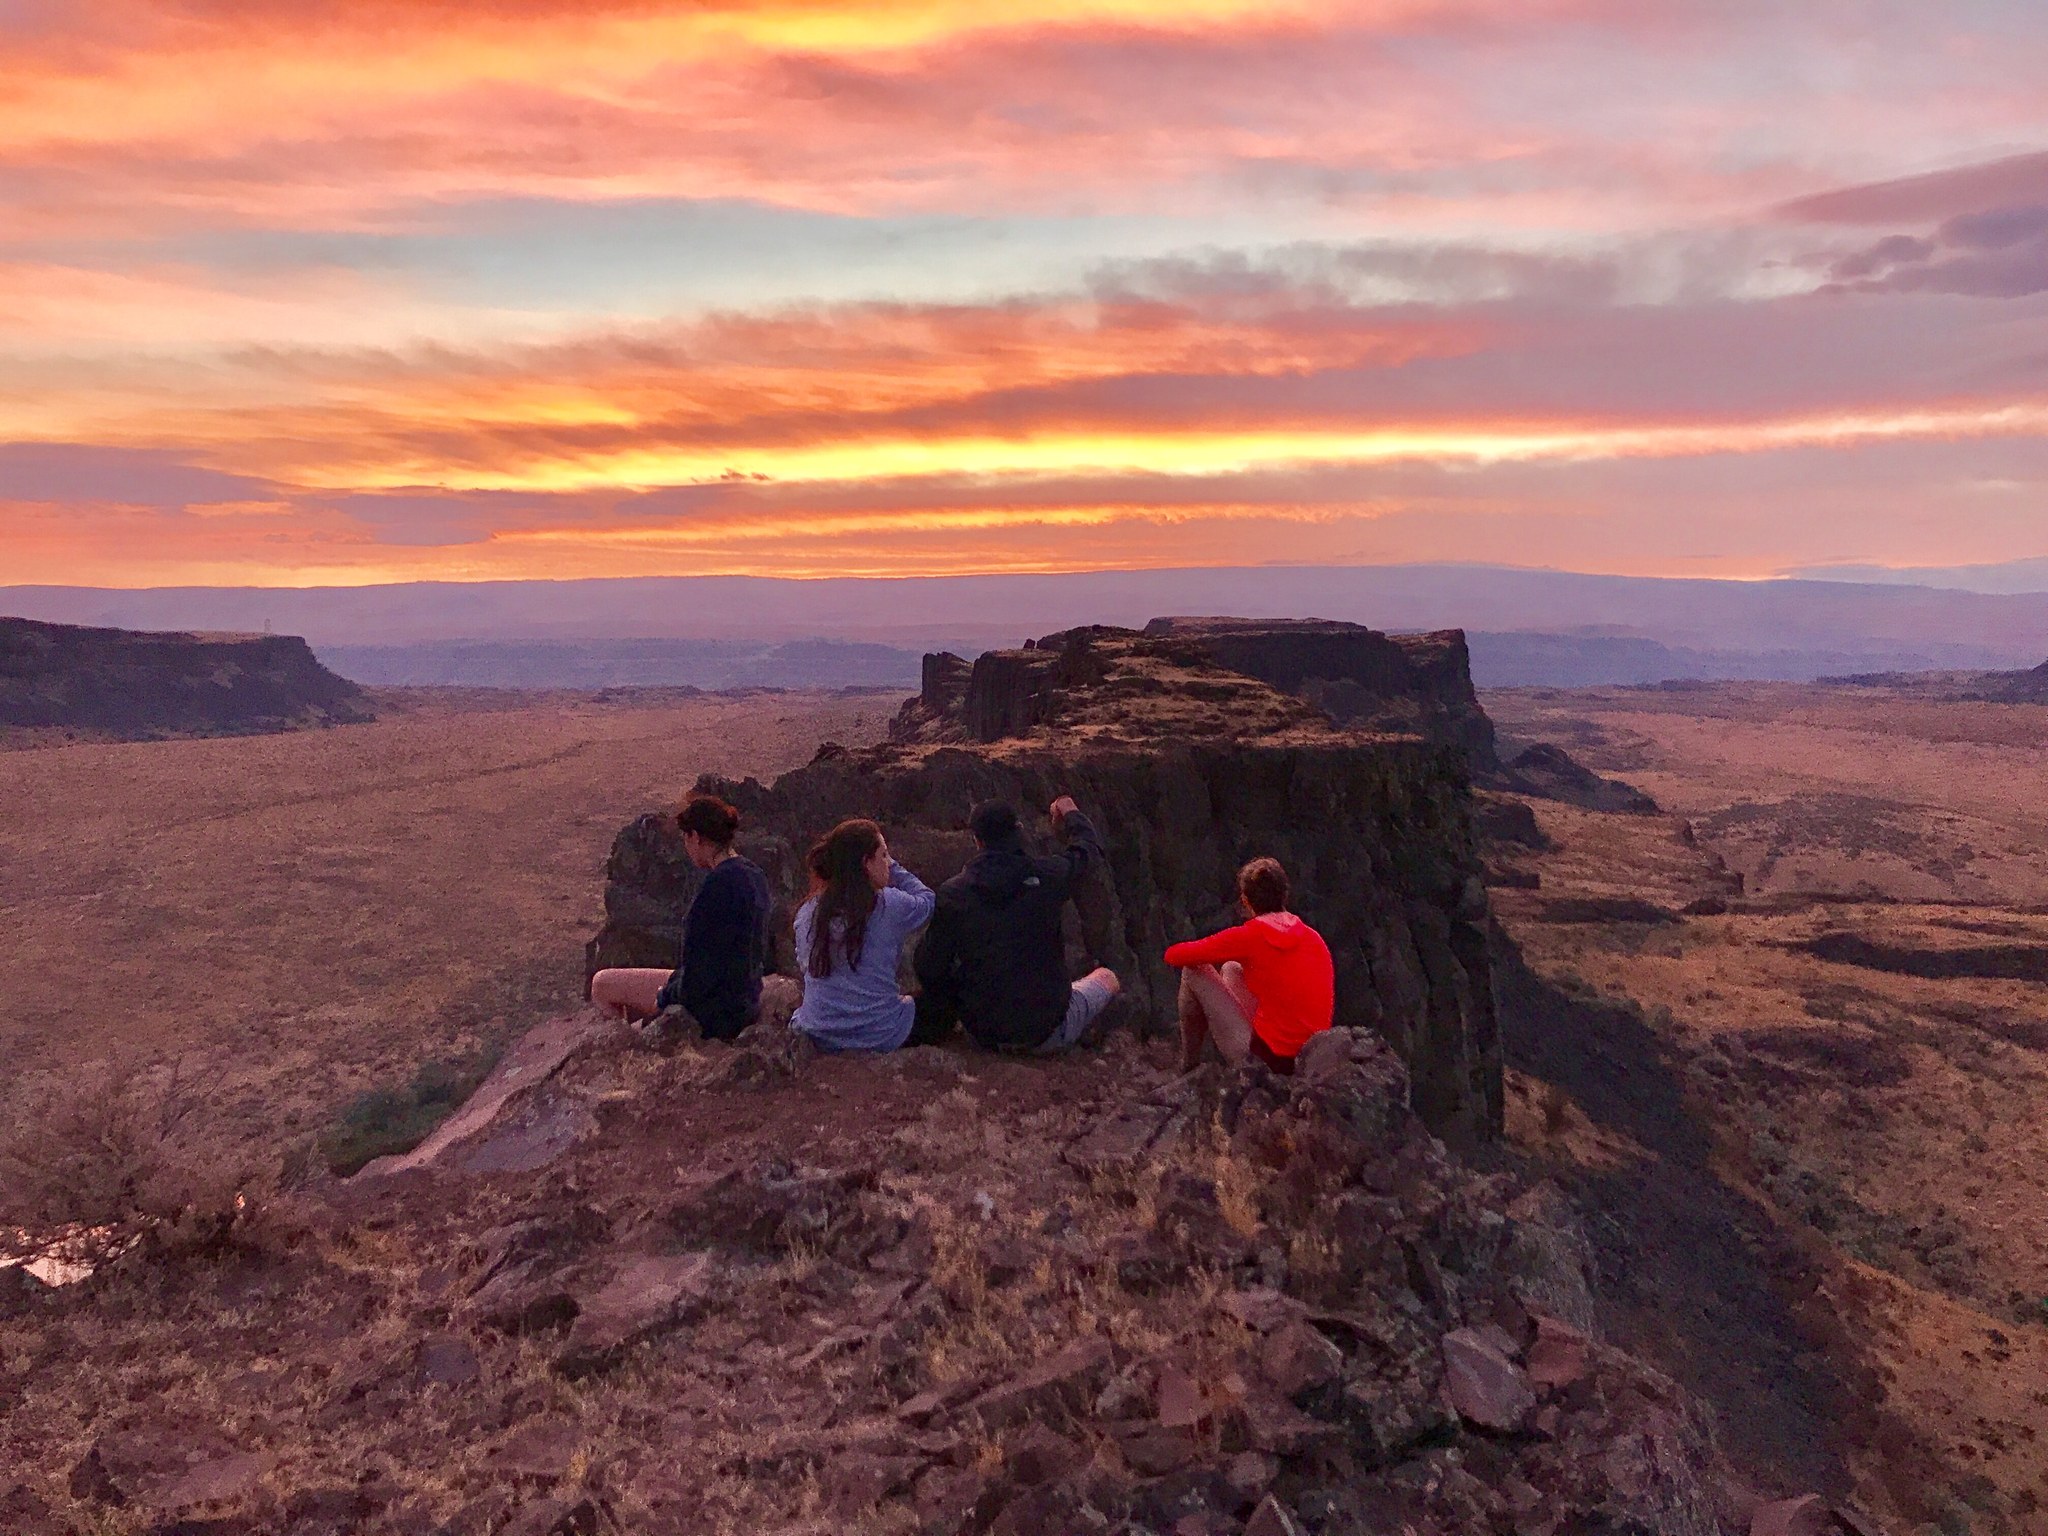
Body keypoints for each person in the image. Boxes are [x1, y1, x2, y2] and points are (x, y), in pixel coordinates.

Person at [915, 795, 1120, 1053]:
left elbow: (929, 967)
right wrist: (1070, 815)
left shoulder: (954, 893)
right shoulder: (1049, 876)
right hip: (1047, 1030)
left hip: (983, 1033)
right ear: (1019, 831)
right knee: (1106, 977)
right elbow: (1087, 851)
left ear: (977, 840)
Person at [590, 793, 772, 1042]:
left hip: (714, 1012)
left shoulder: (716, 888)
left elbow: (699, 977)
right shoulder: (754, 875)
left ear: (695, 837)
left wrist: (664, 997)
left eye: (685, 839)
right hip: (744, 998)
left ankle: (626, 1051)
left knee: (602, 984)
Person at [1164, 857, 1333, 1074]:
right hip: (1311, 1057)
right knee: (1232, 968)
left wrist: (1222, 948)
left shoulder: (1250, 937)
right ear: (1285, 894)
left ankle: (1189, 1065)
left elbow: (1174, 956)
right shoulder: (1313, 938)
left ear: (1245, 900)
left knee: (1193, 971)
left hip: (1270, 1063)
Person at [791, 819, 936, 1053]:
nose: (887, 863)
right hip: (880, 1034)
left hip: (820, 1032)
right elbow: (927, 900)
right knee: (938, 1003)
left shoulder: (808, 912)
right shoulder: (889, 904)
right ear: (866, 863)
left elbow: (804, 965)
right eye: (883, 856)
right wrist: (895, 868)